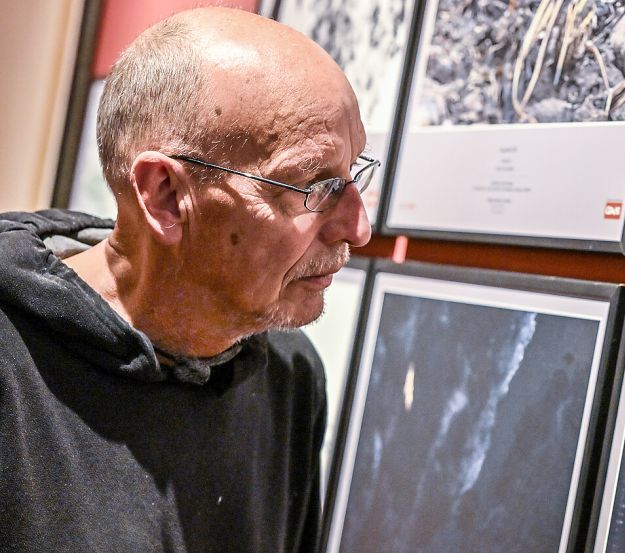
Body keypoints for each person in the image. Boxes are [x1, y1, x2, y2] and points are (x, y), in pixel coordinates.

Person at [0, 7, 371, 552]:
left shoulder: (288, 376)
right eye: (313, 185)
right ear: (167, 197)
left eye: (353, 173)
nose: (357, 229)